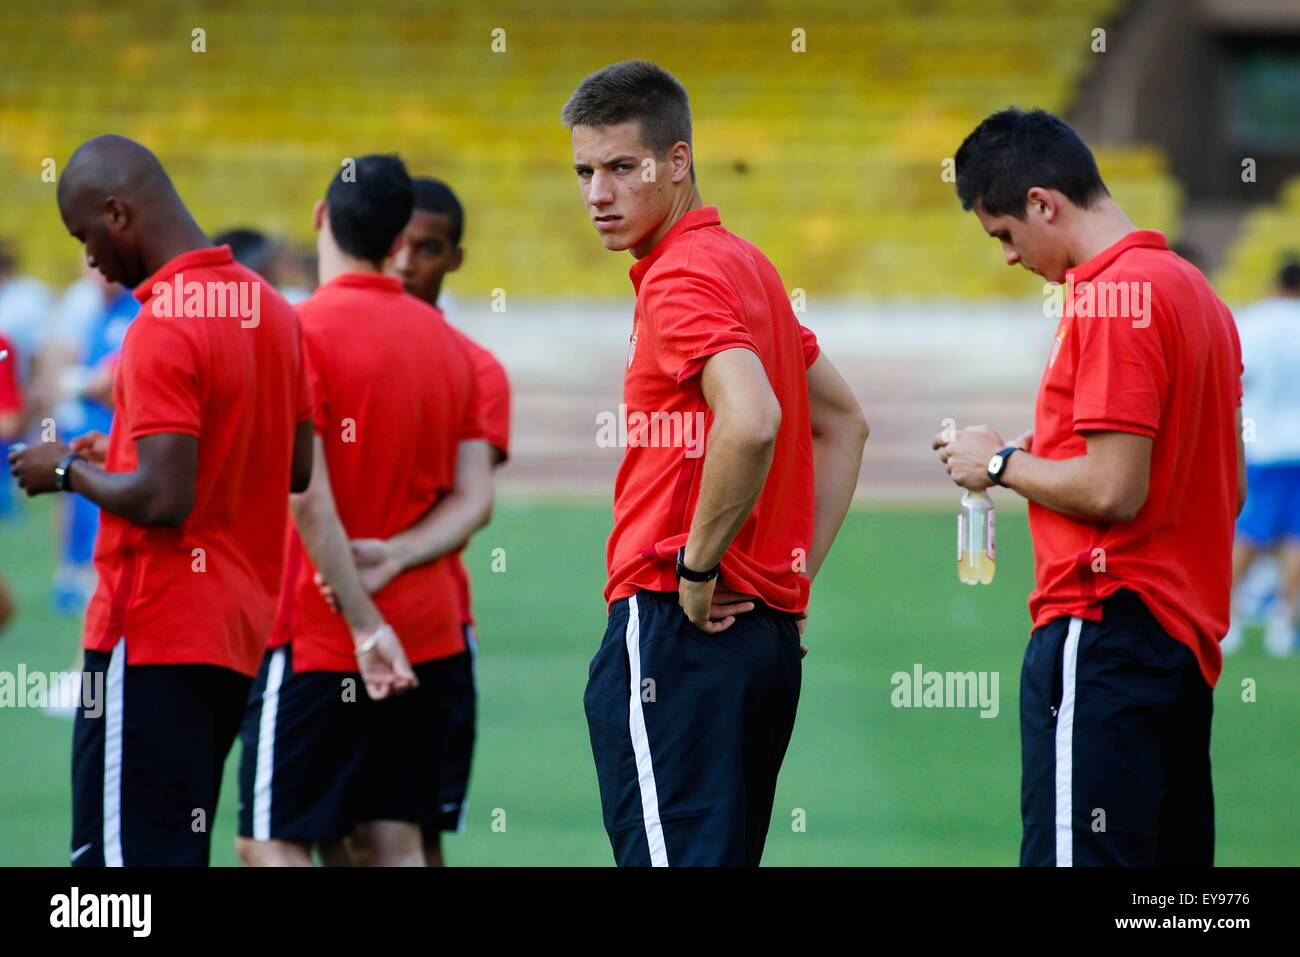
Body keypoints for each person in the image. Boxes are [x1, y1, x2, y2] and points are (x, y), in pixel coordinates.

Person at [562, 60, 869, 866]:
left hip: (679, 621)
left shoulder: (681, 276)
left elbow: (755, 419)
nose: (599, 192)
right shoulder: (748, 264)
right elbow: (844, 423)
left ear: (678, 161)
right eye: (585, 171)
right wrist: (791, 582)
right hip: (759, 636)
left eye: (623, 167)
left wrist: (696, 569)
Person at [934, 108, 1243, 866]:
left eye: (1004, 233)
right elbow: (1221, 484)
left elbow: (1113, 490)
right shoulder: (1194, 291)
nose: (1009, 256)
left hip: (1105, 627)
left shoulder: (1109, 294)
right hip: (1178, 642)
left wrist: (999, 464)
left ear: (1043, 202)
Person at [8, 134, 312, 866]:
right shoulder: (268, 308)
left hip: (151, 634)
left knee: (118, 882)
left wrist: (65, 473)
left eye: (85, 236)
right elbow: (296, 465)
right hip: (234, 635)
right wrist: (113, 456)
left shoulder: (162, 322)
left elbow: (163, 496)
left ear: (117, 214)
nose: (89, 260)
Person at [234, 155, 492, 868]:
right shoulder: (452, 344)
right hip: (429, 635)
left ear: (321, 218)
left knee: (269, 840)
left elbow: (305, 492)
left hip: (319, 632)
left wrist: (359, 617)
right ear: (398, 238)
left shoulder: (293, 330)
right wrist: (398, 555)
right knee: (394, 840)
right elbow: (475, 496)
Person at [382, 176, 511, 865]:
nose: (406, 263)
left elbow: (470, 499)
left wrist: (391, 555)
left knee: (409, 835)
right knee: (315, 832)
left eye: (427, 249)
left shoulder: (473, 368)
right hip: (317, 624)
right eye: (397, 244)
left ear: (454, 259)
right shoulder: (323, 342)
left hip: (426, 630)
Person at [1223, 258, 1300, 657]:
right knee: (1296, 540)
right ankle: (1284, 625)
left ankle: (1229, 616)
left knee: (1249, 534)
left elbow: (1236, 378)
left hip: (1261, 444)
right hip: (1298, 448)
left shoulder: (1254, 321)